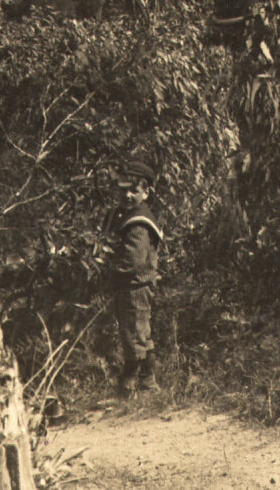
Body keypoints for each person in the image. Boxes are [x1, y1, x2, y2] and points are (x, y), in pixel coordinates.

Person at [111, 161, 164, 391]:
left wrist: (110, 271)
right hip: (134, 285)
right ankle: (145, 380)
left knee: (134, 333)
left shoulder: (139, 223)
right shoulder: (128, 215)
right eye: (123, 190)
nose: (128, 195)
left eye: (134, 190)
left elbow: (133, 261)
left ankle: (135, 382)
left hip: (135, 285)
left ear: (146, 192)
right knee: (138, 331)